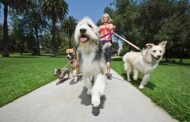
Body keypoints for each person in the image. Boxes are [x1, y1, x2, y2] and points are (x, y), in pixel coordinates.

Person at [99, 13, 116, 79]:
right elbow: (97, 32)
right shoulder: (100, 26)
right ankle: (101, 71)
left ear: (108, 18)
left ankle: (108, 72)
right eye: (104, 17)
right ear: (102, 19)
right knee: (101, 57)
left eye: (106, 17)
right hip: (101, 42)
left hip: (108, 42)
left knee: (108, 57)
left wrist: (112, 31)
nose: (105, 18)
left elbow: (112, 29)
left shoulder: (110, 25)